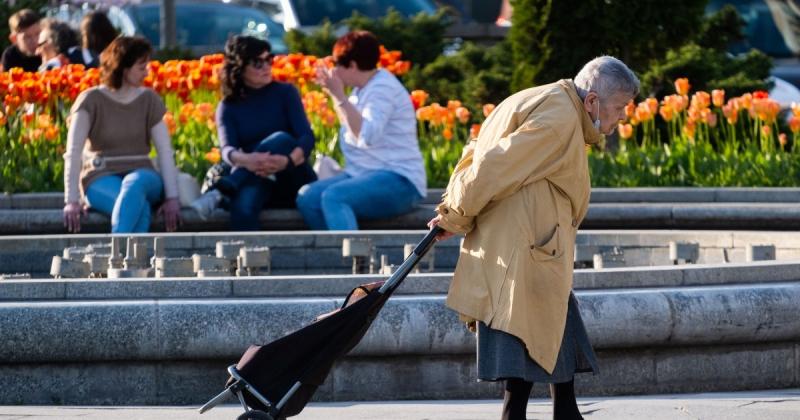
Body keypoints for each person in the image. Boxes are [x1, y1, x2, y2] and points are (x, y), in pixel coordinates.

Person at [428, 56, 640, 420]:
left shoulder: (544, 101)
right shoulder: (559, 120)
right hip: (523, 252)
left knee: (553, 321)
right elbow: (493, 166)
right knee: (525, 339)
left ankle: (566, 411)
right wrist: (456, 214)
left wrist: (457, 210)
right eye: (619, 107)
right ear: (592, 101)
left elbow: (475, 151)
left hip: (531, 245)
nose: (623, 117)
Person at [295, 30, 426, 230]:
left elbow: (367, 136)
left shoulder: (382, 89)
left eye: (338, 65)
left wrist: (339, 96)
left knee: (334, 197)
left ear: (353, 65)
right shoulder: (361, 89)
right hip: (363, 174)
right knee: (307, 198)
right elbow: (352, 129)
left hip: (401, 181)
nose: (335, 71)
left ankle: (355, 259)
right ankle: (333, 254)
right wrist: (336, 95)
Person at [190, 35, 317, 231]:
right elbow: (227, 149)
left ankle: (223, 190)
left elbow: (306, 138)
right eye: (258, 63)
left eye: (269, 59)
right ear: (239, 68)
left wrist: (287, 161)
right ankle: (248, 260)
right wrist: (248, 160)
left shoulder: (285, 93)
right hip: (256, 176)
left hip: (292, 176)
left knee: (281, 139)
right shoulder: (228, 106)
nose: (266, 67)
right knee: (243, 207)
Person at [62, 36, 181, 234]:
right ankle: (132, 263)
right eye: (141, 67)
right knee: (139, 208)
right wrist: (71, 201)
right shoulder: (91, 100)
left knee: (134, 184)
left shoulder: (149, 100)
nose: (147, 72)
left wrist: (172, 198)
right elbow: (73, 152)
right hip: (100, 175)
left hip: (144, 174)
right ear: (123, 68)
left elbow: (165, 151)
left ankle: (115, 259)